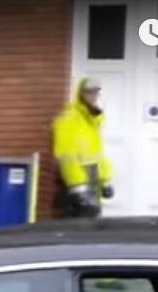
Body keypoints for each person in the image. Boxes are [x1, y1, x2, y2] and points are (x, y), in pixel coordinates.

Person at [52, 77, 114, 219]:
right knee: (75, 233)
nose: (93, 96)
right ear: (79, 94)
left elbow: (98, 155)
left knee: (91, 232)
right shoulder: (68, 120)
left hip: (92, 186)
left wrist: (105, 181)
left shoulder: (92, 121)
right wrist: (79, 189)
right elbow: (66, 157)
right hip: (75, 189)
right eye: (88, 92)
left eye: (95, 92)